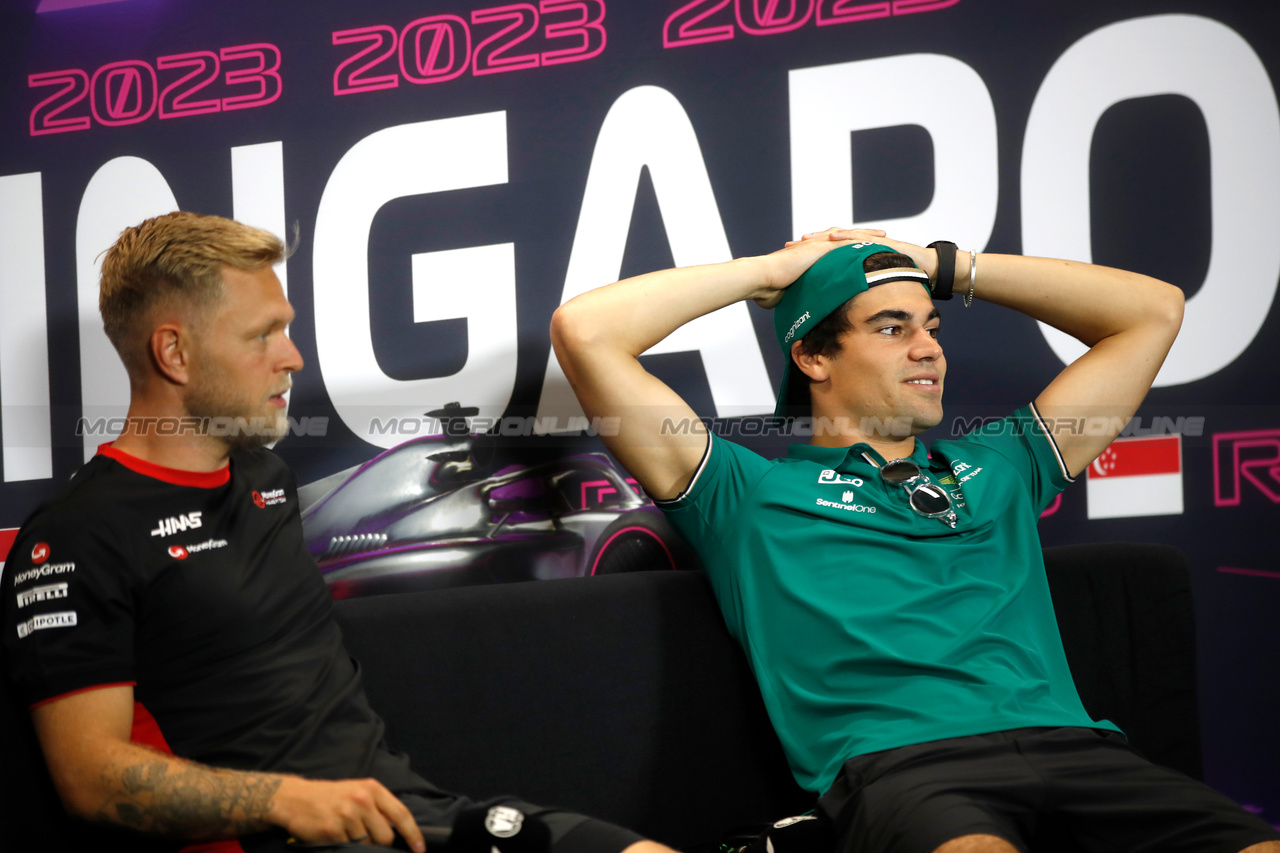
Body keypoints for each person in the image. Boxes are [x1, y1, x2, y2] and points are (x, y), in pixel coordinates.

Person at [550, 226, 1280, 853]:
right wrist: (774, 274)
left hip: (1078, 748)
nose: (928, 348)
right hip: (903, 769)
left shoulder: (1002, 464)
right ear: (812, 356)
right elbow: (586, 331)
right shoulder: (745, 493)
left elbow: (1153, 311)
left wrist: (938, 263)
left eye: (932, 326)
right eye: (893, 328)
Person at [1, 212, 675, 853]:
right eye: (261, 334)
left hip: (405, 814)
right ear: (174, 352)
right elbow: (89, 780)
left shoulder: (266, 479)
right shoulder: (72, 538)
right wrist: (284, 800)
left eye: (287, 329)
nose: (292, 356)